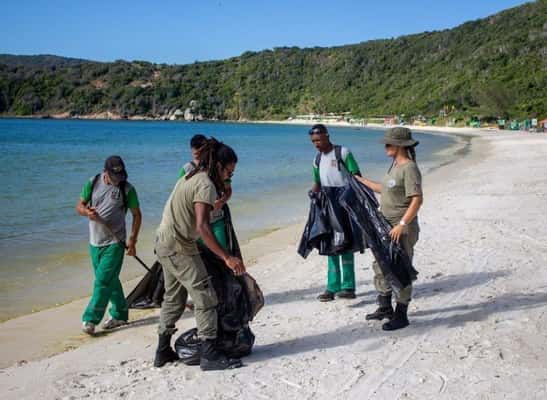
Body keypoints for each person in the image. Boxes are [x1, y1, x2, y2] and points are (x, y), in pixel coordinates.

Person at [154, 138, 246, 370]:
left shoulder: (192, 175)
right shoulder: (206, 184)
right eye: (228, 172)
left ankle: (162, 351)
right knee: (205, 295)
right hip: (180, 246)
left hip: (164, 241)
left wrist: (219, 203)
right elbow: (203, 227)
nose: (228, 177)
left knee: (173, 298)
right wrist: (227, 257)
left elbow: (193, 213)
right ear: (218, 165)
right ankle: (209, 354)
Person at [355, 127, 423, 330]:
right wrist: (360, 180)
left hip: (401, 228)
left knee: (400, 269)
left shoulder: (409, 168)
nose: (385, 146)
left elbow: (417, 199)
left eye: (388, 143)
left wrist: (402, 225)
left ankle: (401, 315)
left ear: (400, 145)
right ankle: (385, 307)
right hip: (384, 226)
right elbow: (384, 190)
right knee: (381, 265)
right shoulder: (394, 165)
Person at [76, 156, 142, 335]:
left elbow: (137, 215)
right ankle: (120, 314)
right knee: (110, 279)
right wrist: (86, 212)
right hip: (94, 242)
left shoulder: (127, 189)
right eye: (114, 175)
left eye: (121, 174)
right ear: (106, 172)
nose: (118, 178)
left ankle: (90, 319)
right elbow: (79, 206)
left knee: (102, 281)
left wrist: (132, 240)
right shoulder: (93, 181)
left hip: (115, 242)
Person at [309, 124, 362, 302]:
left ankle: (348, 287)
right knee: (329, 244)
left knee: (345, 244)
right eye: (313, 141)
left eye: (318, 139)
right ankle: (332, 287)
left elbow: (356, 175)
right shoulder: (317, 159)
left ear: (327, 136)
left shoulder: (343, 153)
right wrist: (313, 192)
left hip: (343, 203)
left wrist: (353, 200)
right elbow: (317, 181)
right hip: (326, 203)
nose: (316, 144)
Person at [178, 134, 233, 250]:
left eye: (201, 154)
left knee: (221, 252)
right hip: (197, 222)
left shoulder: (218, 171)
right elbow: (180, 195)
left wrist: (222, 201)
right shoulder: (187, 169)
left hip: (216, 218)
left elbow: (228, 190)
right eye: (196, 154)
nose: (199, 158)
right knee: (203, 256)